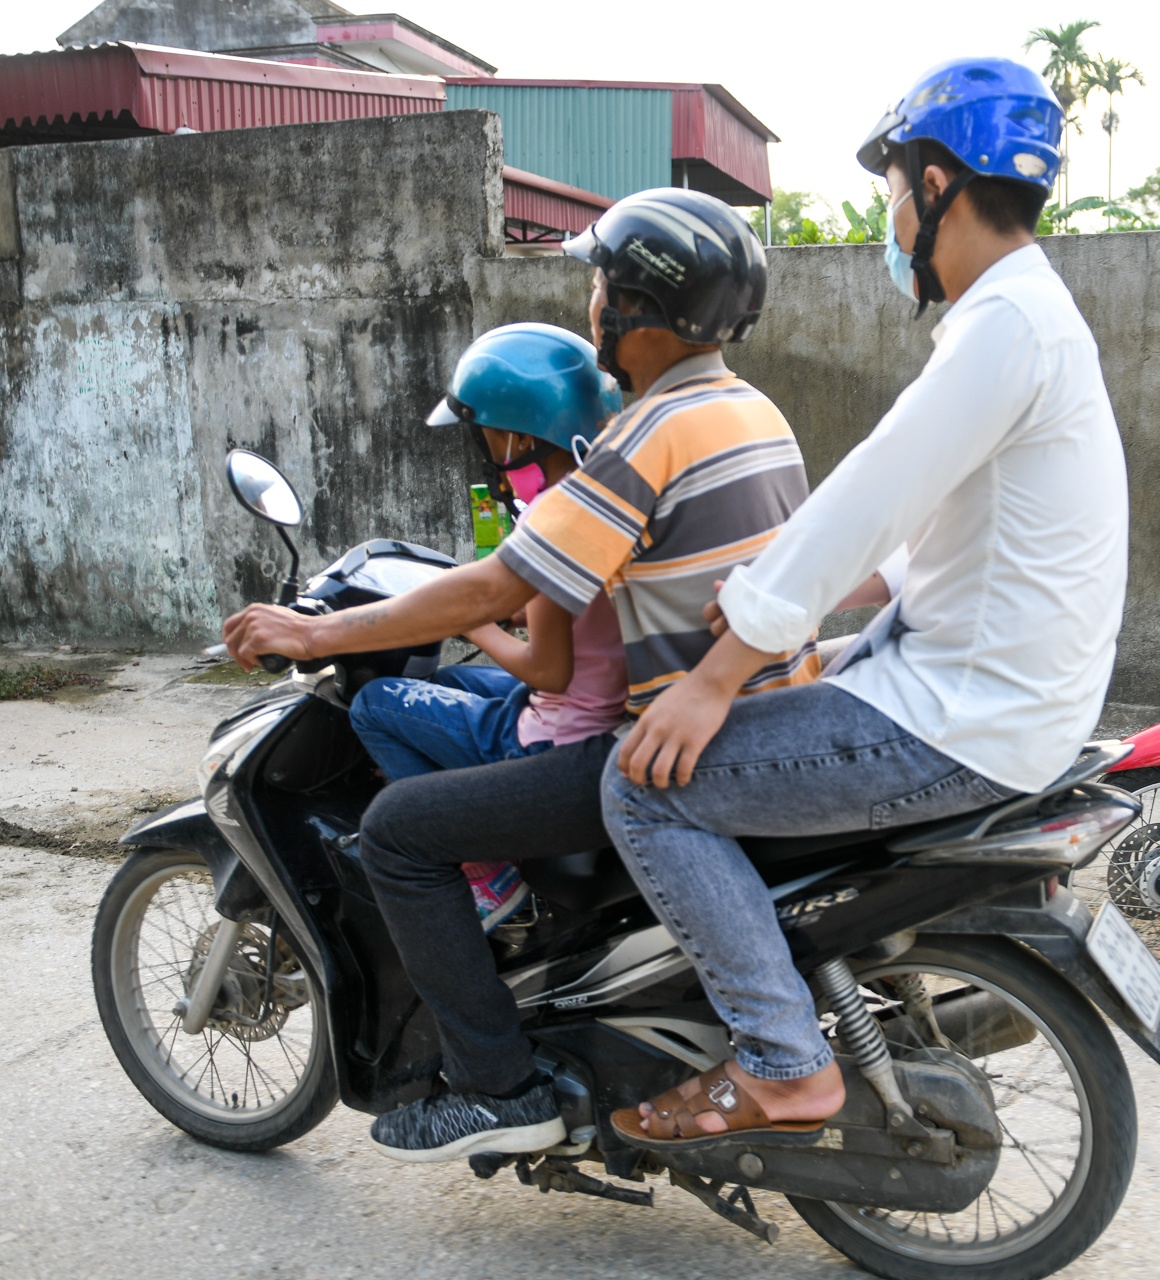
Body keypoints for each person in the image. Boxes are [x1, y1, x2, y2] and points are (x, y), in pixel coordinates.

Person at [223, 189, 820, 1161]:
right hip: (753, 717)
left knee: (395, 831)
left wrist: (313, 634)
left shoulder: (646, 435)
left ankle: (499, 1081)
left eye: (599, 280)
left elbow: (494, 589)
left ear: (629, 304)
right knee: (475, 715)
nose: (592, 302)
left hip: (669, 748)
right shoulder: (750, 411)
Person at [598, 56, 1127, 1147]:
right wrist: (793, 608)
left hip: (964, 711)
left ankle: (784, 1059)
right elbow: (923, 533)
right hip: (982, 685)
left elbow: (865, 497)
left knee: (644, 786)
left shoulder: (1006, 327)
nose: (889, 219)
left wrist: (715, 676)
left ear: (935, 185)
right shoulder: (1026, 319)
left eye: (893, 189)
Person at [347, 322, 628, 933]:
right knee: (457, 682)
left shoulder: (555, 517)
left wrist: (474, 621)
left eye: (488, 436)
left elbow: (546, 669)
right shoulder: (608, 495)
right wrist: (512, 609)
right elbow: (581, 610)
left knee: (374, 704)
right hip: (601, 709)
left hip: (552, 739)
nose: (487, 452)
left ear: (517, 436)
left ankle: (484, 872)